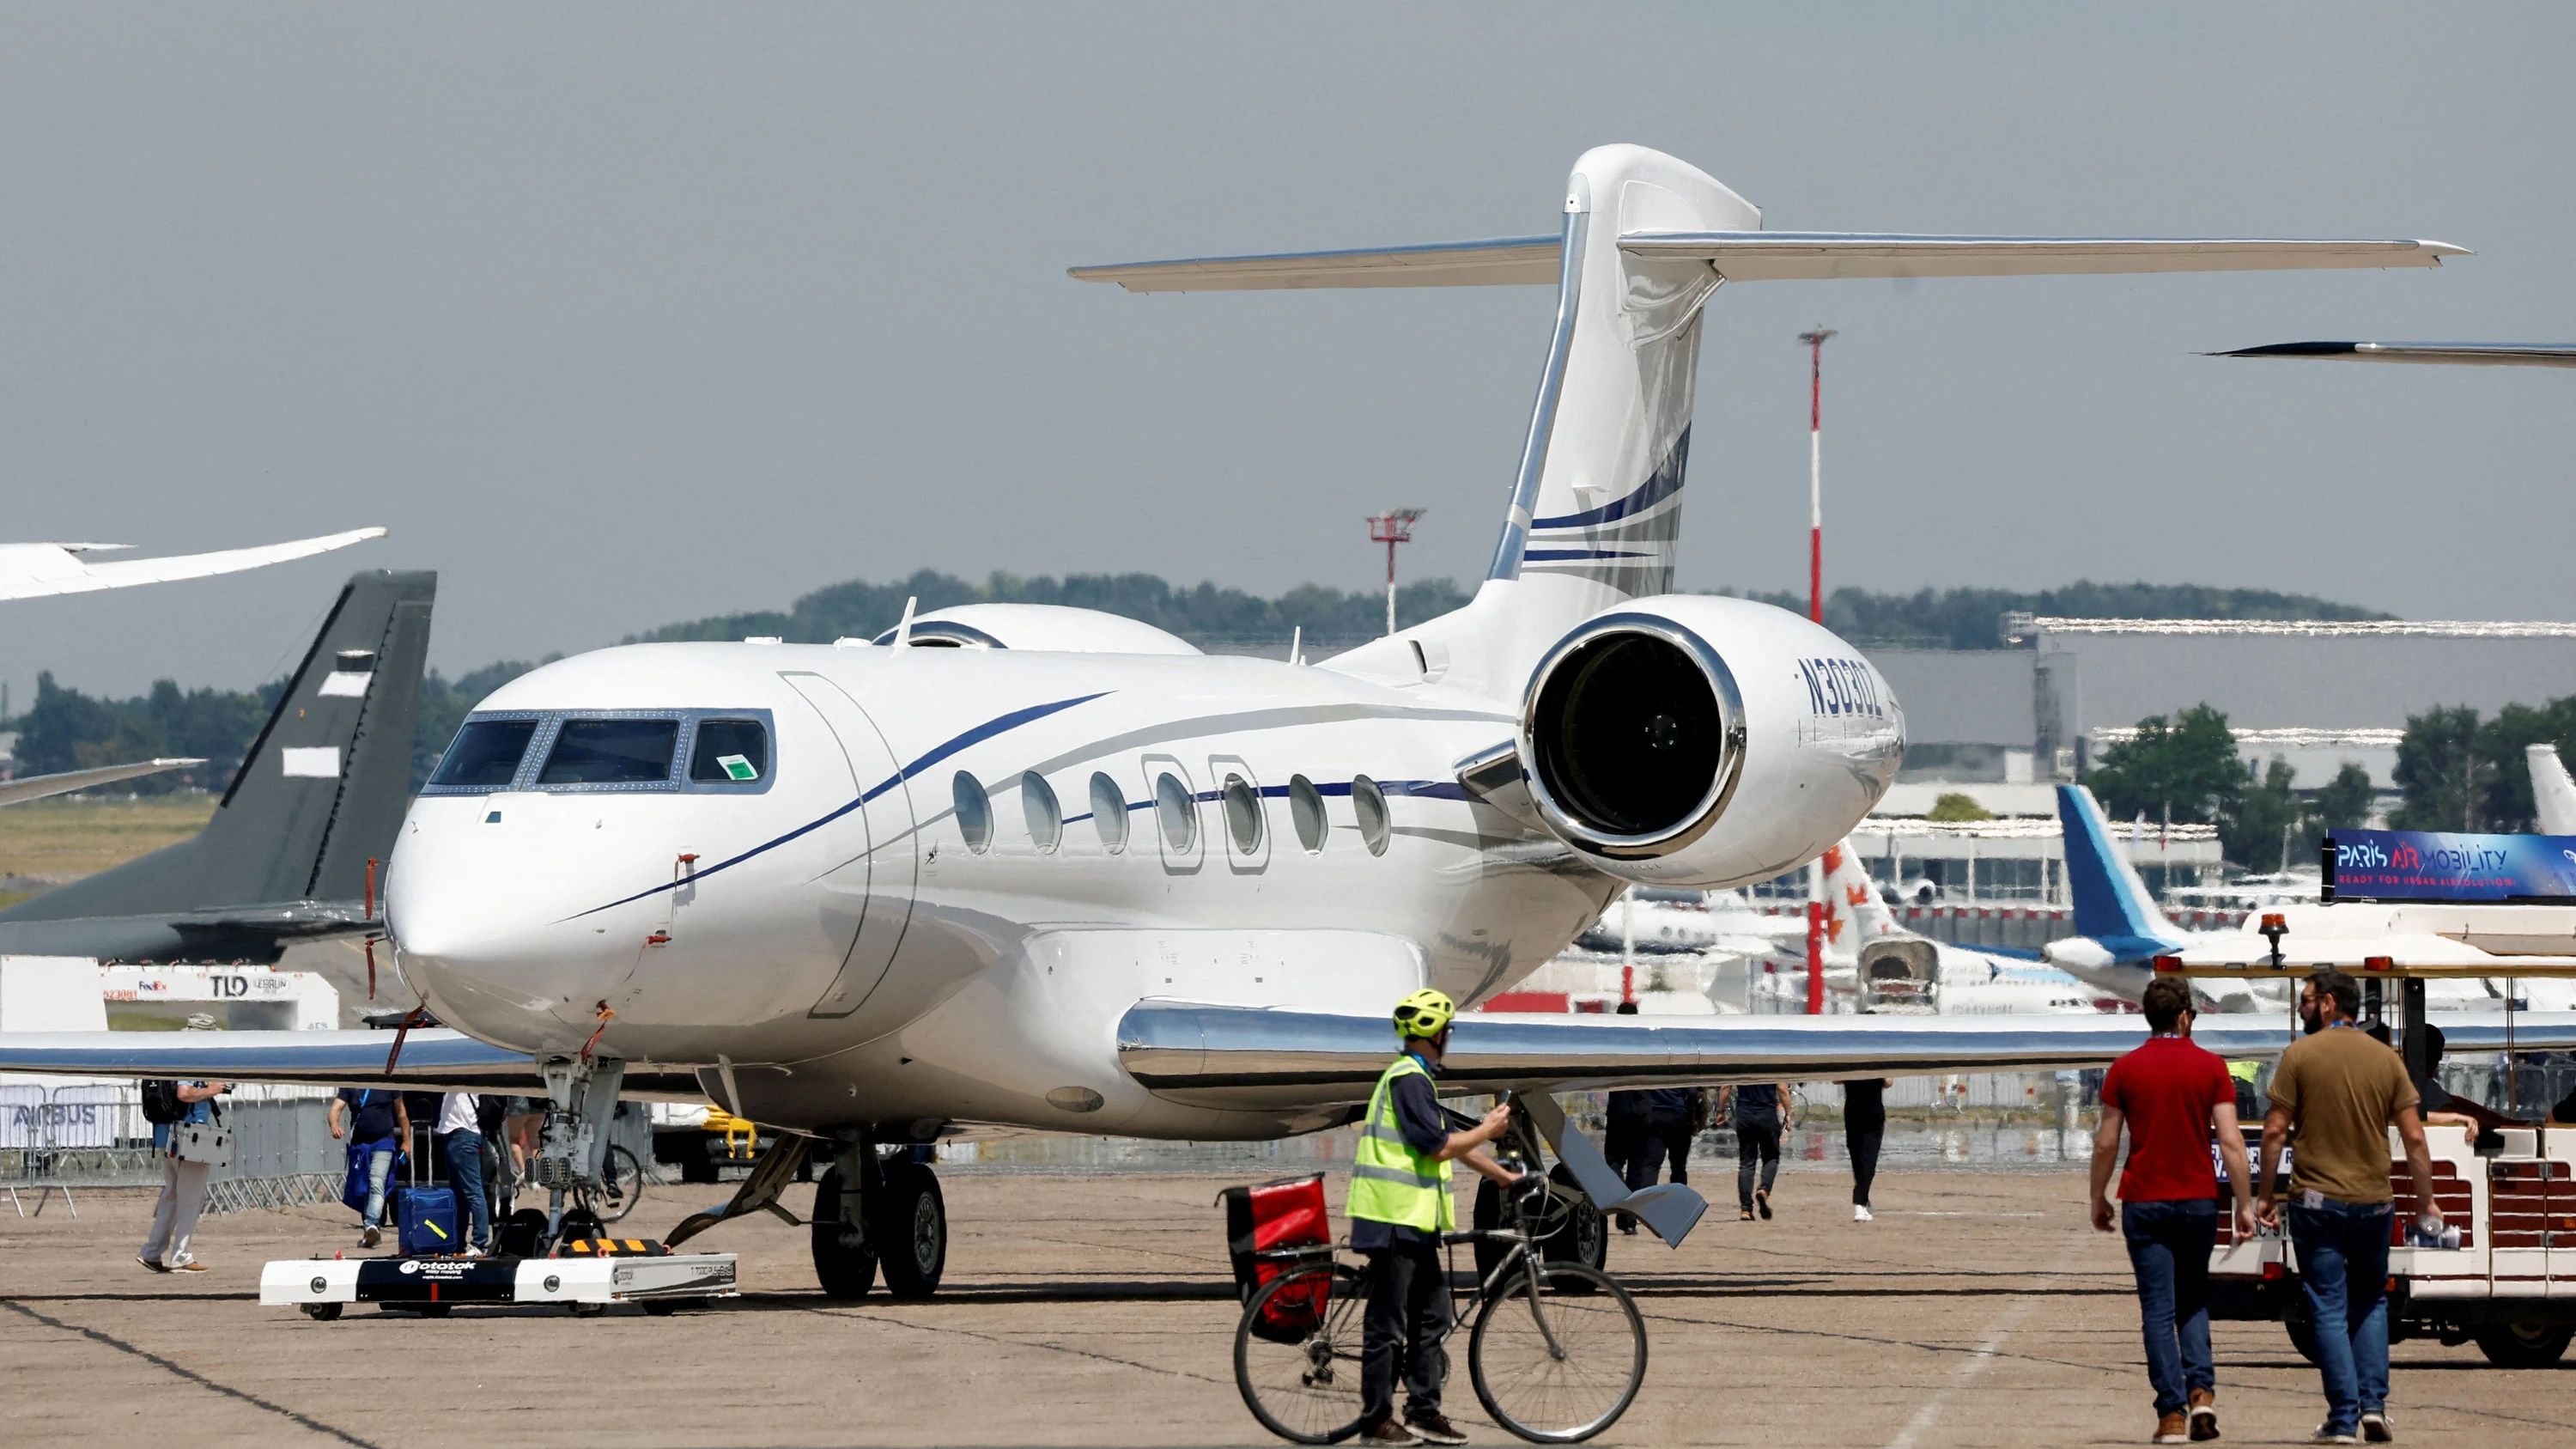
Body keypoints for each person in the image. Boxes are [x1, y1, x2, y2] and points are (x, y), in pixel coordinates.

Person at [2257, 968, 2441, 1446]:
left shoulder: (2299, 1055)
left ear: (2329, 1004)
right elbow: (2415, 1137)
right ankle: (2375, 1407)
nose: (2300, 1008)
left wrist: (2264, 1195)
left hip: (2318, 1204)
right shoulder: (2385, 1059)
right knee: (2372, 1301)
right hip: (2375, 1204)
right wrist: (2427, 1202)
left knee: (2328, 1306)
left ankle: (2342, 1418)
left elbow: (2275, 1131)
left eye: (2305, 1000)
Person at [1348, 989, 1519, 1446]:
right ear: (1438, 1033)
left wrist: (1502, 1175)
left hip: (1414, 1221)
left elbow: (1447, 1143)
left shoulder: (1417, 1079)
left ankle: (1423, 1411)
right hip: (1391, 1218)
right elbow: (1439, 1147)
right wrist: (1487, 1130)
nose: (1450, 1037)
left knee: (1433, 1317)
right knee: (1389, 1325)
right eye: (1449, 1030)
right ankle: (1376, 1421)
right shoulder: (1408, 1080)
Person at [2091, 977, 2254, 1445]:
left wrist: (2097, 1196)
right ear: (2185, 1016)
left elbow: (2106, 1142)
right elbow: (2231, 1140)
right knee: (2194, 1298)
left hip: (2144, 1199)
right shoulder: (2210, 1067)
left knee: (2157, 1309)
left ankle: (2171, 1415)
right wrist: (2244, 1202)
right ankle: (2202, 1391)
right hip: (2198, 1200)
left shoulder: (2124, 1069)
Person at [137, 1015, 228, 1274]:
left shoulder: (170, 1056)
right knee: (190, 1198)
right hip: (189, 1135)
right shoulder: (191, 1059)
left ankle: (152, 1251)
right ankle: (181, 1256)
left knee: (172, 1194)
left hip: (166, 1134)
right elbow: (184, 1093)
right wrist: (211, 1091)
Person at [330, 1085, 410, 1248]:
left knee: (376, 1181)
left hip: (384, 1142)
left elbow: (401, 1112)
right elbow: (335, 1108)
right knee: (364, 1188)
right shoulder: (350, 1085)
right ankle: (372, 1232)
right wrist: (334, 1124)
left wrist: (407, 1140)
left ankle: (372, 1225)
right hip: (360, 1146)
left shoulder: (388, 1084)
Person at [1721, 1080, 1791, 1221]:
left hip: (1745, 1116)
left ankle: (1746, 1210)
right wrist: (1788, 1113)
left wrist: (1720, 1111)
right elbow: (1782, 1088)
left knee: (1747, 1163)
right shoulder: (1772, 1062)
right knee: (1771, 1157)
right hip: (1767, 1115)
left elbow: (1725, 1086)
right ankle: (1764, 1190)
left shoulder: (1741, 1062)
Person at [436, 1091, 490, 1256]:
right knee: (459, 1195)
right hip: (454, 1136)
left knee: (473, 1192)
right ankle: (458, 1243)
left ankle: (479, 1242)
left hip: (463, 1135)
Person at [1844, 1077, 1890, 1222]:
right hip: (1871, 1110)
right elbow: (1888, 1082)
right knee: (1868, 1157)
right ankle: (1860, 1202)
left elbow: (1836, 1079)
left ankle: (1864, 1202)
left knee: (1857, 1156)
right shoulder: (1879, 1059)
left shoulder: (1850, 1058)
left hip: (1853, 1110)